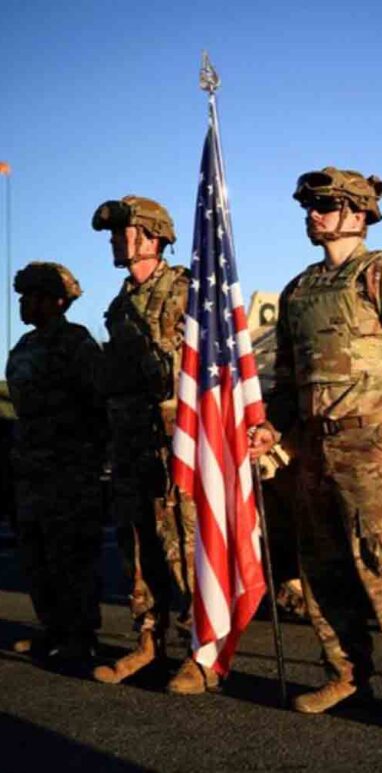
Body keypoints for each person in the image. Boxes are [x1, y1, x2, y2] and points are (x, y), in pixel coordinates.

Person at [250, 167, 382, 730]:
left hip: (374, 444)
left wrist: (380, 402)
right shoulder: (299, 290)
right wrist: (274, 426)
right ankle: (345, 672)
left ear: (358, 214)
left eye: (326, 204)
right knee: (323, 566)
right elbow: (288, 379)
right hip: (314, 447)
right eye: (309, 206)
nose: (313, 214)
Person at [90, 195, 217, 694]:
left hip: (175, 447)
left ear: (154, 236)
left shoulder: (187, 290)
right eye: (114, 234)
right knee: (136, 545)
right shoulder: (120, 305)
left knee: (182, 546)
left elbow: (214, 364)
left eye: (127, 231)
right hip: (129, 444)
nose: (117, 241)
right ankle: (148, 639)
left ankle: (198, 651)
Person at [5, 262, 105, 667]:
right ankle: (53, 628)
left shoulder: (76, 343)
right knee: (36, 553)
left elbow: (97, 403)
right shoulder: (24, 348)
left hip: (70, 468)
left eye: (32, 297)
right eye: (22, 298)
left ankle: (81, 635)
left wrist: (91, 458)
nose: (24, 305)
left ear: (56, 301)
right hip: (30, 468)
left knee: (72, 555)